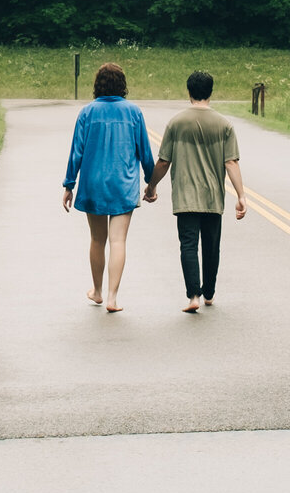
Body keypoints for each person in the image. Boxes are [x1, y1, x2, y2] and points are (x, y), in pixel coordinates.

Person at [145, 71, 245, 311]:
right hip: (213, 197)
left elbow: (163, 162)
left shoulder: (177, 123)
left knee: (188, 245)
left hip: (186, 195)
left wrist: (151, 186)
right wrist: (241, 196)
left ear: (189, 92)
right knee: (211, 245)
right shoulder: (224, 124)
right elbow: (231, 162)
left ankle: (194, 297)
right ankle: (209, 293)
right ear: (211, 92)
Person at [62, 63, 156, 312]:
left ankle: (97, 291)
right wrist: (151, 182)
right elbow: (145, 152)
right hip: (123, 184)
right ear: (122, 85)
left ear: (98, 85)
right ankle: (113, 298)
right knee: (118, 241)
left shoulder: (87, 112)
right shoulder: (133, 112)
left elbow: (76, 152)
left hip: (93, 184)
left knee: (96, 239)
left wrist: (69, 184)